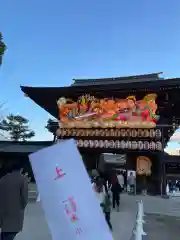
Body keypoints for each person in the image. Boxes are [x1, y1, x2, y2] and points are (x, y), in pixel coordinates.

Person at [0, 163, 28, 240]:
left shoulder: (3, 178)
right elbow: (24, 196)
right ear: (21, 169)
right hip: (15, 210)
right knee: (12, 231)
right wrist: (22, 206)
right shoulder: (23, 179)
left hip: (3, 210)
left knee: (5, 230)